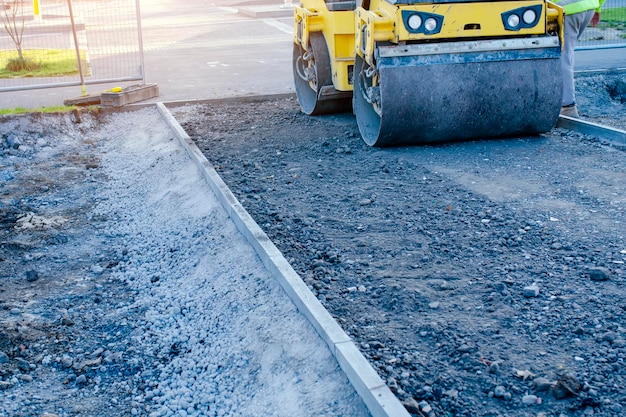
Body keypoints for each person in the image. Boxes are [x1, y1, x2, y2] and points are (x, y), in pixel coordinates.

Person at [557, 0, 605, 118]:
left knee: (562, 55)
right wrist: (598, 8)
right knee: (566, 54)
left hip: (565, 9)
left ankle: (567, 108)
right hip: (589, 6)